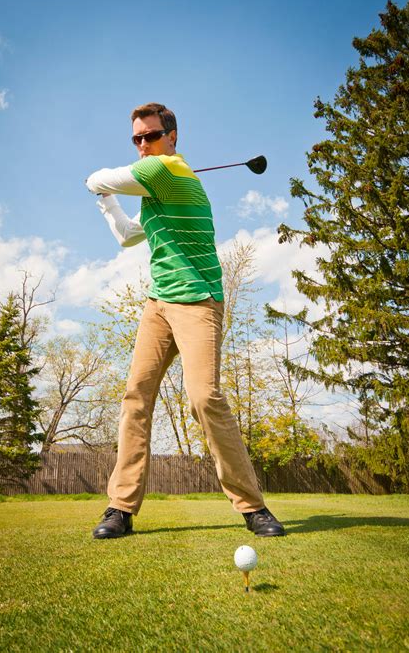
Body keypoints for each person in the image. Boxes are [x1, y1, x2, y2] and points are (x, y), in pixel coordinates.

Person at [85, 102, 285, 539]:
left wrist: (96, 186)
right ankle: (120, 508)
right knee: (136, 396)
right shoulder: (157, 189)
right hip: (158, 303)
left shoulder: (165, 171)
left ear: (172, 138)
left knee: (204, 397)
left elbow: (97, 176)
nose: (143, 145)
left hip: (198, 301)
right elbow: (126, 236)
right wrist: (107, 204)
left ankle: (253, 507)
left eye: (151, 136)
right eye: (136, 138)